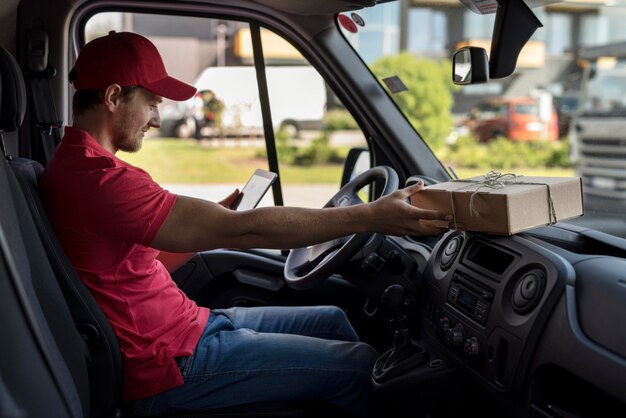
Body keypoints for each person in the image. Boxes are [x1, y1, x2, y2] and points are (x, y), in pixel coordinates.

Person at [39, 31, 451, 417]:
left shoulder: (76, 165)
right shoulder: (101, 180)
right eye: (151, 103)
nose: (156, 120)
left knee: (332, 318)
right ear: (114, 96)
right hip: (167, 363)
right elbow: (247, 231)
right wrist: (372, 215)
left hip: (187, 328)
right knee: (361, 365)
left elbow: (134, 266)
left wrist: (208, 225)